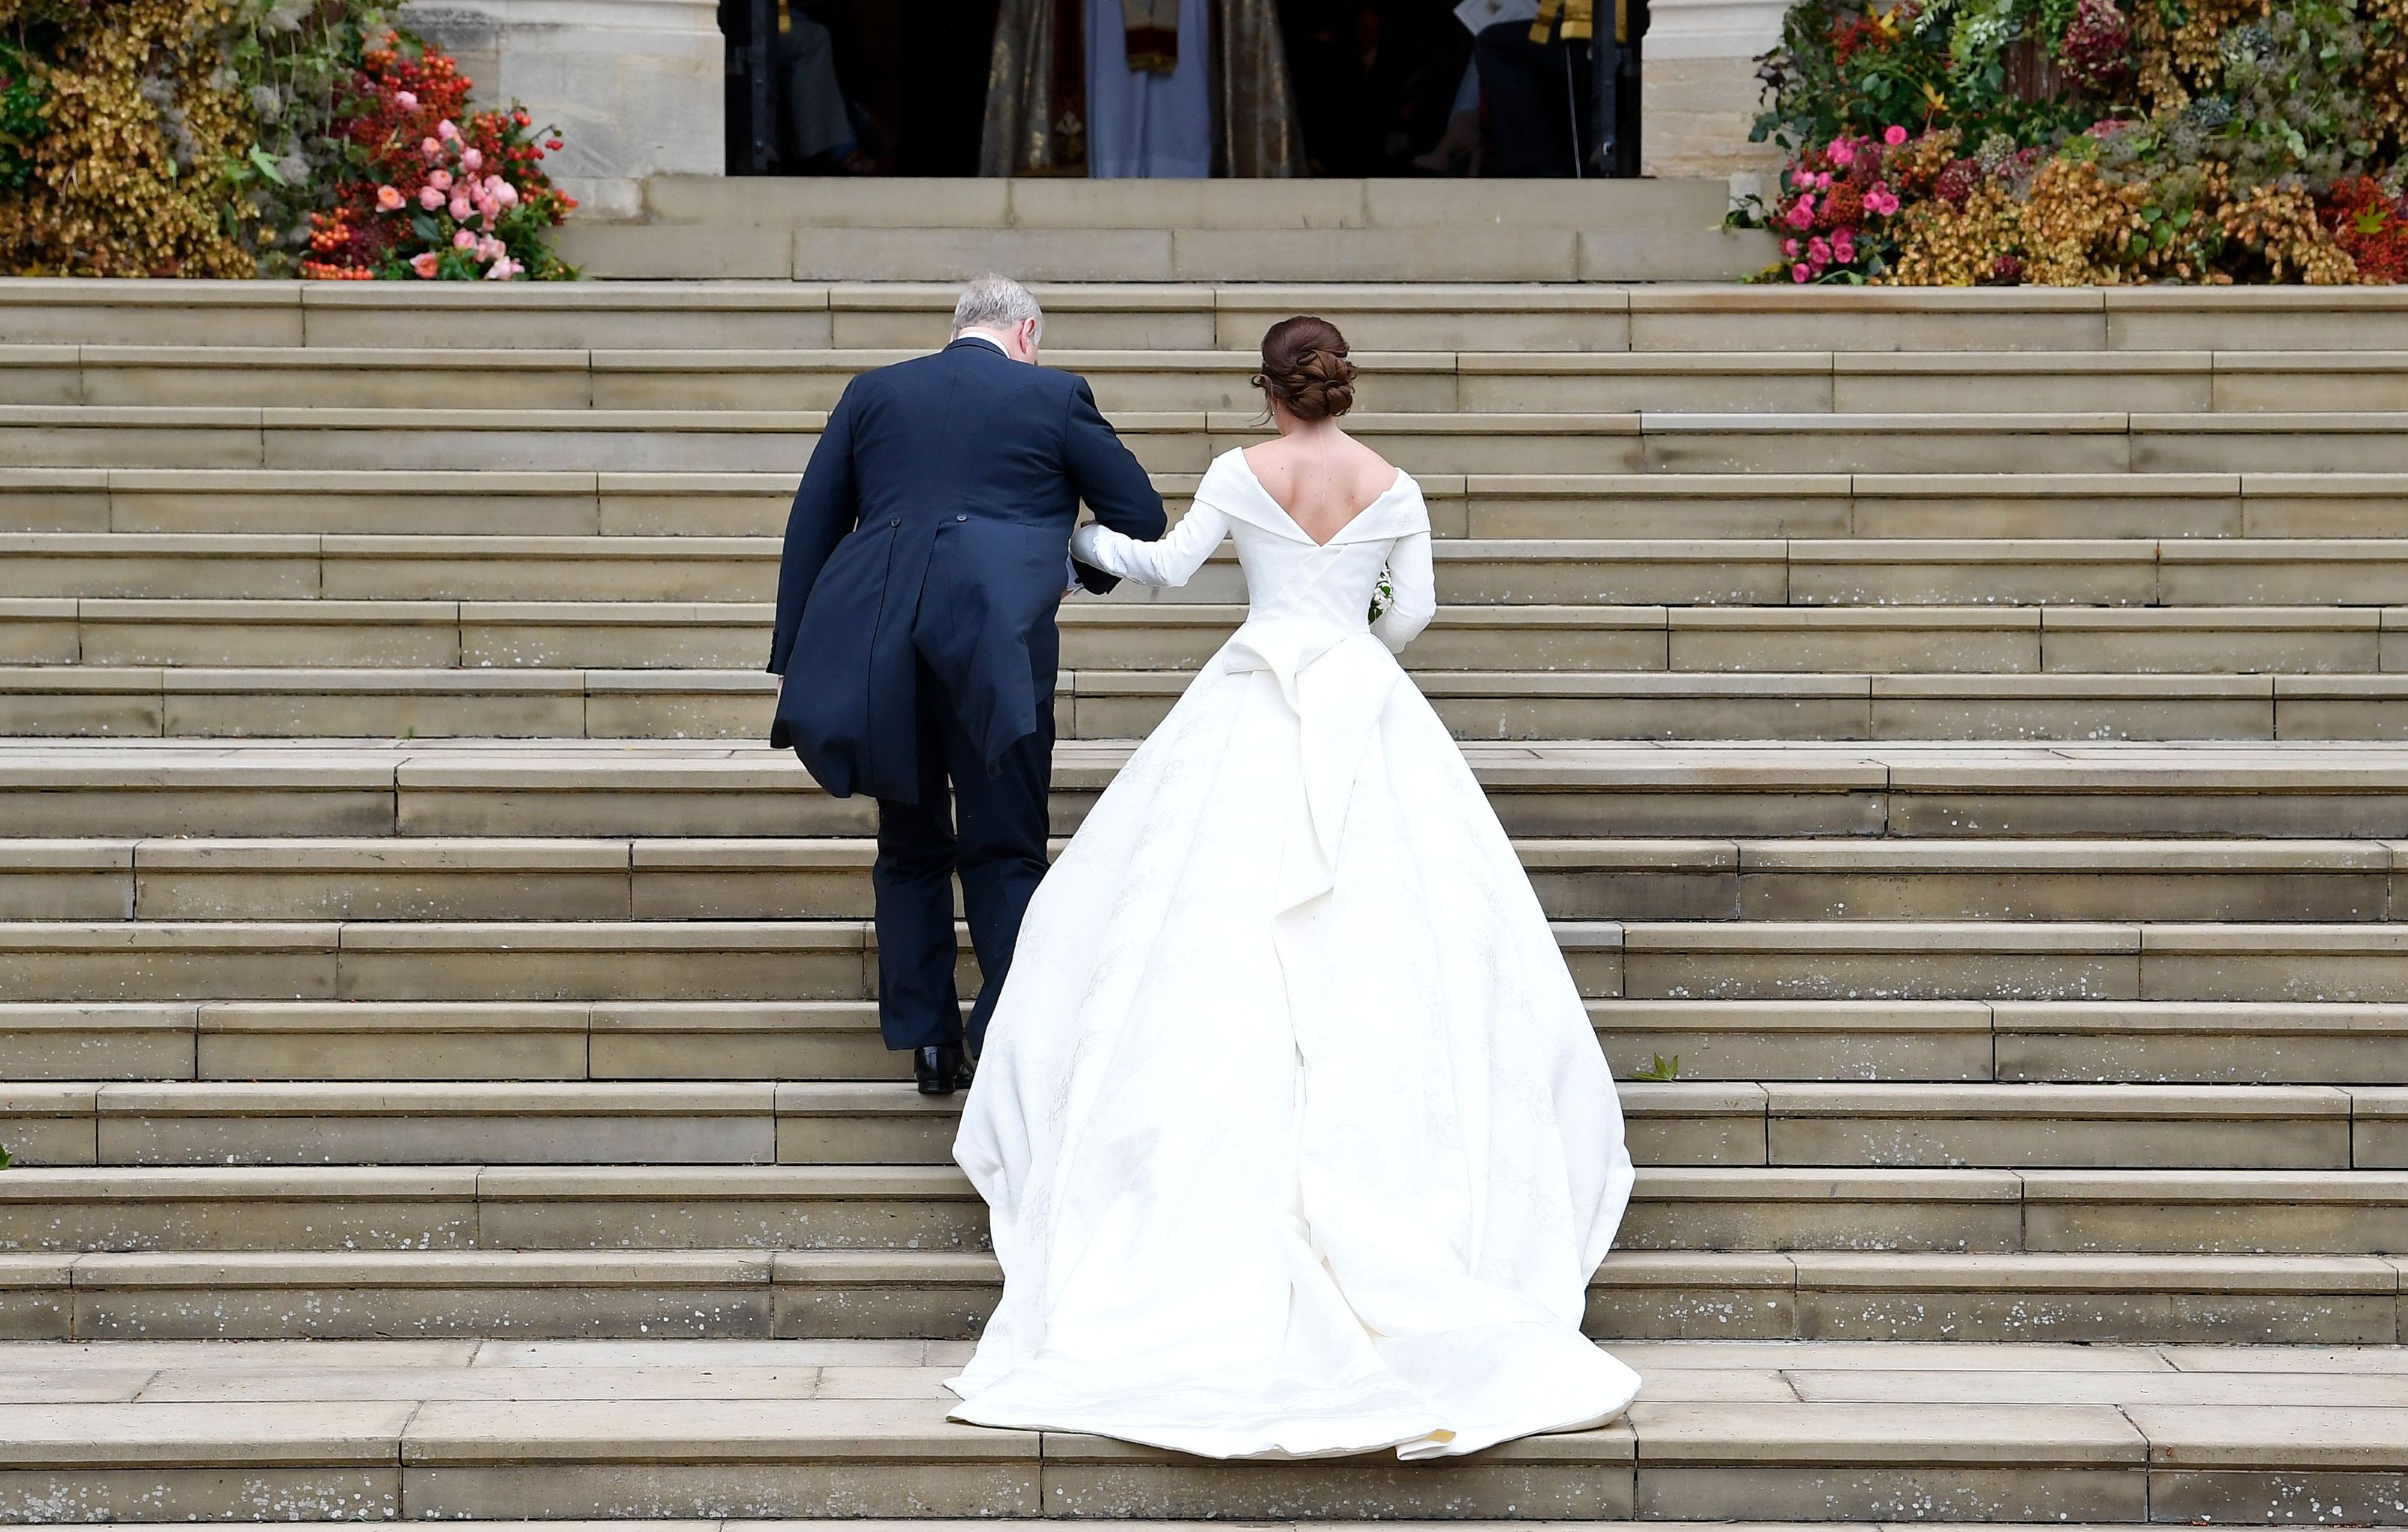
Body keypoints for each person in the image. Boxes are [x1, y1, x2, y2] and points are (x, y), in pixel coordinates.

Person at [947, 316, 1641, 1458]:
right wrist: (1354, 641)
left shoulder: (1239, 469)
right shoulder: (1393, 484)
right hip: (1361, 700)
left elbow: (1167, 567)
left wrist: (1083, 546)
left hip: (1253, 693)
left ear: (1266, 391)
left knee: (1186, 931)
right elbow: (1411, 612)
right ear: (1341, 390)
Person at [766, 275, 1166, 1096]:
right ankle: (1004, 1034)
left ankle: (929, 1043)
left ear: (962, 328)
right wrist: (1061, 569)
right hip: (996, 646)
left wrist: (796, 650)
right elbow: (1141, 512)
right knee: (1005, 844)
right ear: (1025, 335)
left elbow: (812, 521)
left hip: (881, 642)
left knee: (909, 845)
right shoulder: (1054, 396)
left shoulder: (874, 392)